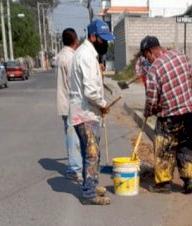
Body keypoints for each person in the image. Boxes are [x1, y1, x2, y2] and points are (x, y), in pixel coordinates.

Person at [140, 35, 192, 194]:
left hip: (170, 116)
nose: (147, 60)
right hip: (190, 111)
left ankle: (164, 183)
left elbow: (151, 98)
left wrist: (148, 111)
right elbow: (190, 73)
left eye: (146, 56)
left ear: (150, 52)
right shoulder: (179, 55)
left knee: (164, 148)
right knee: (187, 145)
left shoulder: (154, 69)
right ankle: (189, 179)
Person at [69, 19, 115, 205]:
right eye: (103, 40)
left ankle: (91, 184)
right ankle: (89, 194)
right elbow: (90, 91)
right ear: (93, 37)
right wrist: (103, 104)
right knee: (92, 154)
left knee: (90, 153)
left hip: (85, 112)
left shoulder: (86, 53)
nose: (106, 44)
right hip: (86, 114)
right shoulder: (86, 56)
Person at [55, 28, 83, 182]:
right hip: (71, 102)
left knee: (70, 135)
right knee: (74, 138)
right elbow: (74, 81)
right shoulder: (71, 58)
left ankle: (74, 165)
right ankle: (74, 169)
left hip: (64, 102)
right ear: (75, 40)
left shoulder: (60, 56)